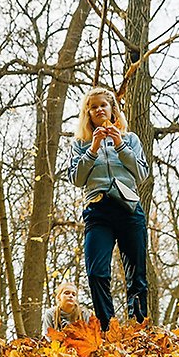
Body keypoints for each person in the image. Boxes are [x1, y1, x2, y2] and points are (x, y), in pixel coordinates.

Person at [68, 87, 149, 331]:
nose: (98, 110)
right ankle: (107, 328)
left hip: (129, 208)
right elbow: (76, 178)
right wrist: (92, 149)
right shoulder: (80, 144)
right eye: (92, 107)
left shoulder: (130, 139)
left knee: (136, 274)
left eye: (103, 105)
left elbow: (142, 173)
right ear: (88, 114)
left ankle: (138, 328)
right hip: (98, 211)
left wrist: (120, 145)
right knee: (96, 272)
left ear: (112, 109)